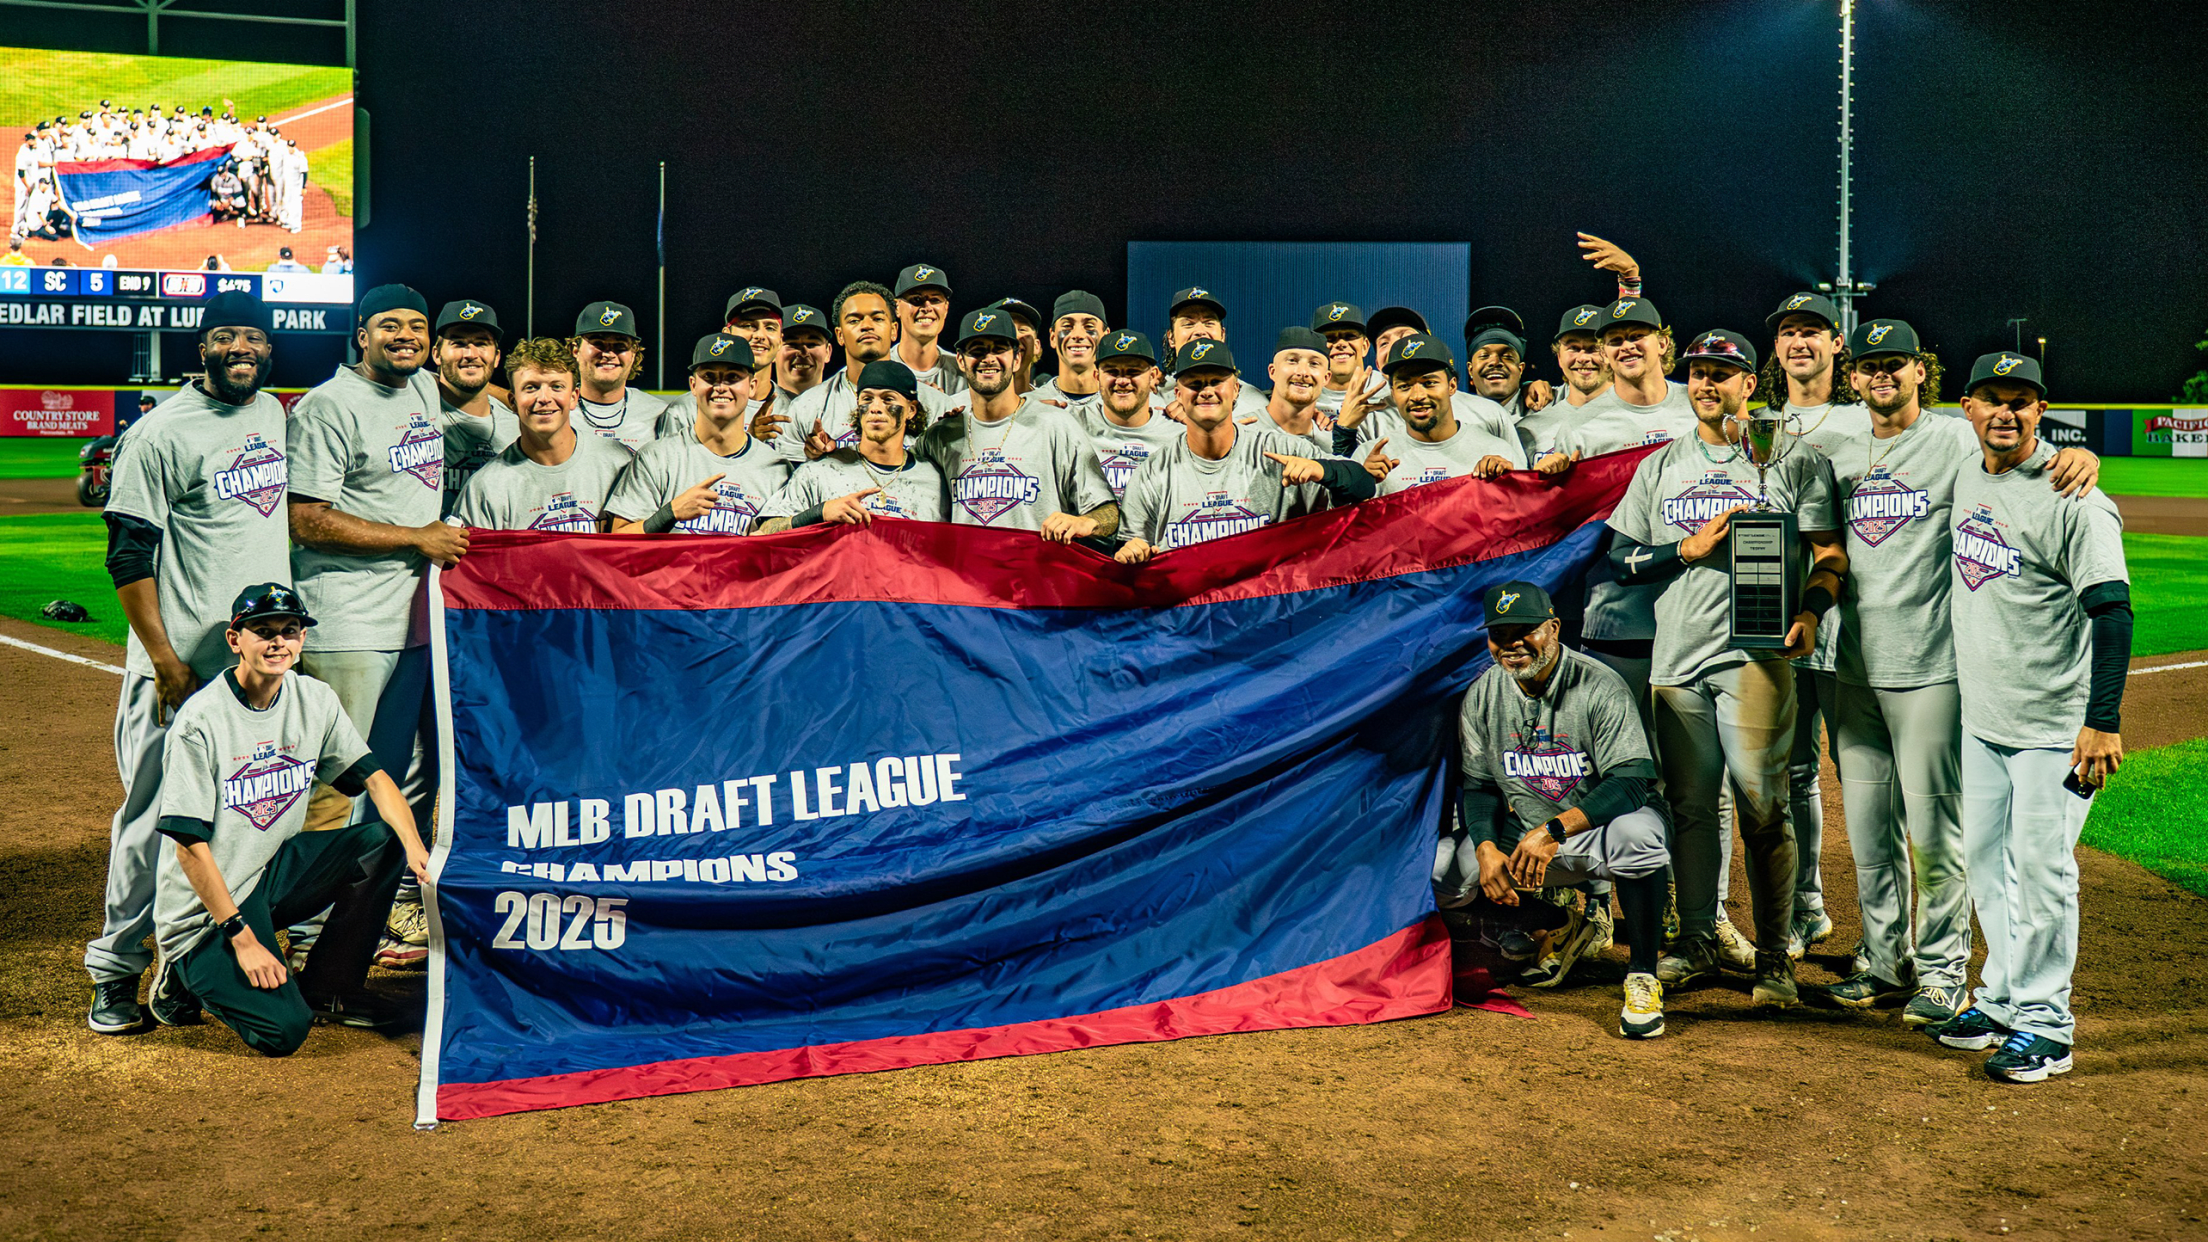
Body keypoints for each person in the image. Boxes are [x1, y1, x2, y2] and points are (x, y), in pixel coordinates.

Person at [1814, 321, 2102, 1022]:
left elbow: (2026, 459)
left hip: (1930, 668)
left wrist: (2082, 454)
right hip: (1846, 665)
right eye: (1871, 365)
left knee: (1936, 831)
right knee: (1870, 829)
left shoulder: (1954, 440)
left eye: (1897, 364)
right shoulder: (1832, 441)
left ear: (1922, 373)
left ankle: (1943, 971)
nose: (1883, 375)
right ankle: (1885, 961)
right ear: (1854, 376)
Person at [1604, 329, 1846, 1008]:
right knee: (1688, 809)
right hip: (1676, 658)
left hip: (1755, 652)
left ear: (1749, 385)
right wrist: (1684, 548)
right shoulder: (1661, 466)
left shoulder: (1791, 461)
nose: (1708, 383)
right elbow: (1619, 560)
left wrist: (1812, 612)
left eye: (1722, 373)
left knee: (1763, 804)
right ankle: (1699, 939)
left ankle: (1774, 958)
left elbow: (1829, 552)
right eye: (1699, 373)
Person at [84, 292, 292, 1035]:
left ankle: (180, 972)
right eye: (227, 336)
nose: (243, 347)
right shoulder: (161, 432)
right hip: (181, 672)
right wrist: (164, 659)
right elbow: (126, 552)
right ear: (200, 347)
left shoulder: (272, 414)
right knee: (151, 822)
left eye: (255, 336)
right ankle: (113, 973)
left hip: (253, 672)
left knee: (239, 826)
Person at [1923, 352, 2130, 1084]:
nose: (2005, 413)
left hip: (2054, 729)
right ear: (1968, 408)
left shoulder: (2075, 499)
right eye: (1991, 399)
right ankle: (2005, 998)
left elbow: (2112, 611)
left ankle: (2048, 1026)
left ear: (2041, 411)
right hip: (1984, 721)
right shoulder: (1967, 467)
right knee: (1986, 864)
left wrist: (2101, 721)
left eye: (2021, 401)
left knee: (2041, 875)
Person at [143, 584, 432, 1051]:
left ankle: (330, 989)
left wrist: (417, 853)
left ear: (301, 640)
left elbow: (376, 779)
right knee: (283, 1032)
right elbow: (188, 848)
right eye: (264, 631)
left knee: (386, 841)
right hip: (207, 906)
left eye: (290, 631)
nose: (279, 642)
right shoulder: (200, 721)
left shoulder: (313, 698)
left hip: (269, 873)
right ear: (235, 639)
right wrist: (243, 939)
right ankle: (183, 970)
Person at [287, 284, 462, 967]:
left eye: (417, 326)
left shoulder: (420, 390)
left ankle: (359, 922)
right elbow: (306, 519)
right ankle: (300, 926)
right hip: (347, 622)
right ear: (361, 335)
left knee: (396, 780)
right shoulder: (329, 407)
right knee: (333, 783)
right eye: (390, 325)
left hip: (411, 622)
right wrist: (416, 538)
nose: (405, 337)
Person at [1436, 582, 1672, 1038]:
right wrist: (1486, 846)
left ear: (1554, 628)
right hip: (1526, 837)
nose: (1512, 645)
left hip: (1592, 832)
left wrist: (1552, 831)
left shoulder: (1598, 684)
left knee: (1640, 837)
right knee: (1442, 870)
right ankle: (1545, 923)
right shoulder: (1484, 694)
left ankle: (1642, 975)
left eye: (1525, 631)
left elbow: (1631, 782)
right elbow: (1480, 785)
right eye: (1500, 635)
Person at [1115, 340, 1373, 561]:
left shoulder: (1280, 449)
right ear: (1178, 394)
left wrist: (1322, 469)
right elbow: (1129, 547)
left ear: (1236, 389)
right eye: (1195, 383)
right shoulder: (1153, 471)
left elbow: (1363, 484)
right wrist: (1131, 550)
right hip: (1188, 614)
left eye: (1217, 381)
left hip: (1264, 609)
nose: (1206, 391)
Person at [916, 307, 1120, 539]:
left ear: (1017, 359)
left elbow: (1109, 512)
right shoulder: (941, 435)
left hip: (1035, 573)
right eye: (977, 351)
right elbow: (896, 480)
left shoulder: (1055, 425)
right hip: (966, 574)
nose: (988, 358)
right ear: (961, 361)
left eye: (999, 349)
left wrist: (1086, 522)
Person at [607, 334, 789, 535]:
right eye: (709, 377)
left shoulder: (776, 468)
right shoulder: (657, 458)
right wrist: (669, 513)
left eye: (733, 378)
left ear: (751, 386)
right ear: (693, 385)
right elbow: (619, 538)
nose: (720, 387)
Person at [454, 336, 632, 532]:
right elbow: (474, 562)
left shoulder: (617, 462)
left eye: (556, 387)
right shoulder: (486, 488)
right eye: (531, 387)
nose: (544, 398)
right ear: (512, 402)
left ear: (574, 398)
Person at [756, 359, 950, 532]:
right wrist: (819, 513)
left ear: (911, 410)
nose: (875, 408)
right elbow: (763, 531)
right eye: (867, 399)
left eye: (888, 399)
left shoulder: (933, 480)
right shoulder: (821, 471)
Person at [781, 281, 956, 460]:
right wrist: (816, 461)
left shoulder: (935, 404)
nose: (867, 326)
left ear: (894, 330)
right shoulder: (807, 407)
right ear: (840, 336)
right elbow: (793, 479)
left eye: (878, 318)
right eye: (854, 320)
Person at [1357, 335, 1523, 494]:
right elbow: (1344, 520)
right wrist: (1359, 486)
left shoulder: (1497, 452)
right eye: (1404, 386)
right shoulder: (1369, 458)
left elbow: (1526, 515)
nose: (1417, 396)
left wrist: (1510, 484)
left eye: (1429, 383)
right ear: (1393, 393)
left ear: (1452, 386)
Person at [432, 299, 519, 518]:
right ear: (436, 354)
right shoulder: (416, 412)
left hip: (492, 548)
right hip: (425, 548)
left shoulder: (518, 427)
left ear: (497, 357)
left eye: (481, 343)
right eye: (458, 343)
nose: (471, 354)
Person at [1081, 330, 1182, 499]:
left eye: (1133, 372)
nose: (1122, 381)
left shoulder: (1179, 436)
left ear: (1153, 376)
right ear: (1096, 376)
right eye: (1112, 372)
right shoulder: (1072, 426)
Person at [571, 300, 673, 451]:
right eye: (598, 343)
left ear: (633, 354)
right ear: (575, 351)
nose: (608, 354)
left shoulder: (659, 414)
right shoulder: (556, 410)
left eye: (620, 346)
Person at [1160, 286, 1269, 419]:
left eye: (1209, 323)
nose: (1200, 331)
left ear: (1222, 335)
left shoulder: (1254, 404)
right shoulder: (1153, 394)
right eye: (1188, 324)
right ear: (1171, 338)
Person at [1258, 327, 1340, 453]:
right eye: (1292, 361)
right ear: (1272, 371)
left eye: (1314, 364)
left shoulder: (1333, 444)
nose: (1303, 372)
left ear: (1326, 378)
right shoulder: (1241, 431)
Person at [892, 263, 964, 394]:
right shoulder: (880, 367)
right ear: (897, 307)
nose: (927, 307)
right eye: (916, 299)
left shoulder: (964, 371)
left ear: (946, 308)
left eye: (935, 300)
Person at [1031, 290, 1109, 411]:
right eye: (1067, 326)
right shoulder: (1030, 404)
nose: (1078, 335)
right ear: (1052, 337)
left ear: (1105, 337)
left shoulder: (1123, 402)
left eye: (1089, 326)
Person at [1310, 301, 1372, 418]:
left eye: (1350, 336)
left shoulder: (1388, 393)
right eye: (1329, 338)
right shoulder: (1301, 394)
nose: (1341, 344)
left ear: (1365, 346)